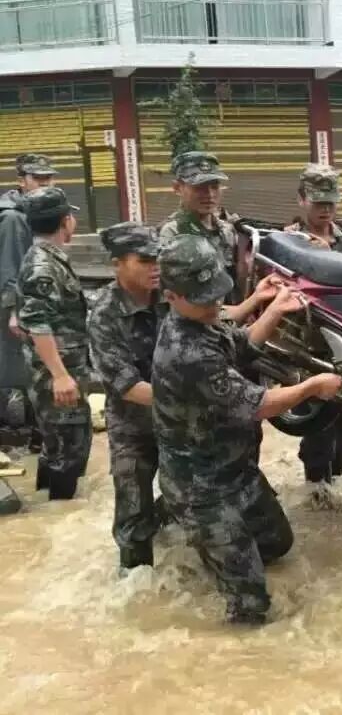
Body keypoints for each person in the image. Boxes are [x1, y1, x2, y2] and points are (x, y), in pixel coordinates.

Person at [152, 235, 342, 624]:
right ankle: (208, 545)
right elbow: (259, 405)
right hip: (202, 487)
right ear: (170, 297)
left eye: (215, 295)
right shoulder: (185, 352)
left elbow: (239, 344)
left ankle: (219, 552)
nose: (213, 305)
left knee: (277, 543)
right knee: (253, 607)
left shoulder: (202, 321)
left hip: (235, 469)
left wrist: (274, 308)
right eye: (203, 299)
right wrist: (312, 387)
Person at [287, 164, 342, 504]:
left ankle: (333, 482)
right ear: (301, 199)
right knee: (318, 427)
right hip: (309, 349)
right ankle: (316, 489)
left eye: (330, 202)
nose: (325, 209)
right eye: (318, 202)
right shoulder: (288, 242)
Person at [88, 224, 166, 568]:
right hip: (133, 427)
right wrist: (191, 397)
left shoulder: (172, 293)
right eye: (145, 260)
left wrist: (258, 302)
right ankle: (136, 578)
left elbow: (214, 318)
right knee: (133, 509)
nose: (155, 267)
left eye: (157, 259)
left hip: (179, 420)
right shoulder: (104, 314)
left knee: (199, 495)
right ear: (117, 264)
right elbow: (130, 388)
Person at [15, 187, 91, 500]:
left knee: (56, 442)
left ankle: (50, 503)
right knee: (68, 448)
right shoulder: (43, 266)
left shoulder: (46, 258)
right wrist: (60, 375)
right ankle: (61, 505)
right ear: (65, 221)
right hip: (58, 373)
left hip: (61, 367)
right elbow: (38, 323)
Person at [1, 154, 57, 440]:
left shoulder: (38, 209)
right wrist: (14, 310)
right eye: (38, 178)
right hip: (14, 303)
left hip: (31, 299)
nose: (44, 183)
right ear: (21, 181)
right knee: (18, 363)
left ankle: (32, 428)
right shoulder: (12, 216)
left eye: (48, 178)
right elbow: (11, 265)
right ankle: (23, 429)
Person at [159, 152, 240, 304]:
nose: (209, 194)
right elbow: (173, 298)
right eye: (199, 187)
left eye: (215, 186)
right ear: (177, 188)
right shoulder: (172, 233)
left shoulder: (227, 231)